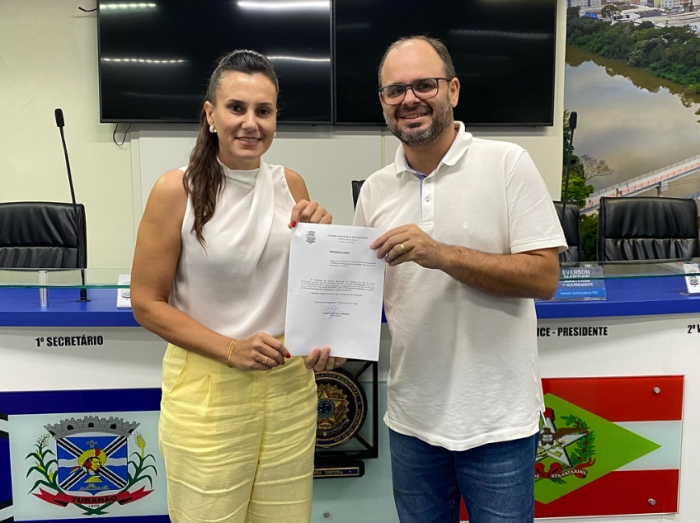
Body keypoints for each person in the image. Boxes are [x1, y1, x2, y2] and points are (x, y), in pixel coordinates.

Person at [353, 36, 567, 523]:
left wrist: (442, 254)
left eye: (424, 85)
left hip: (498, 423)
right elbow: (364, 299)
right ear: (383, 102)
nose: (409, 99)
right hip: (412, 419)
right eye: (395, 90)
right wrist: (324, 333)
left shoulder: (507, 164)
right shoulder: (375, 191)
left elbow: (544, 276)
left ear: (452, 90)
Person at [130, 49, 345, 523]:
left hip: (289, 387)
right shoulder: (176, 190)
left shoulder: (292, 184)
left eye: (263, 111)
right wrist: (231, 349)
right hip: (207, 393)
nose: (251, 123)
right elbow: (146, 303)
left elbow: (305, 288)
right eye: (236, 108)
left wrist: (322, 244)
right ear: (210, 114)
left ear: (275, 118)